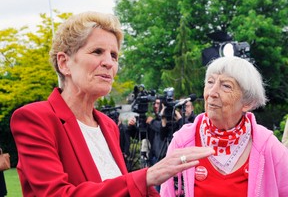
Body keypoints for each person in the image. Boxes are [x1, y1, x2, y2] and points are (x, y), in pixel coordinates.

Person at [10, 11, 215, 196]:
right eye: (97, 52)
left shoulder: (108, 125)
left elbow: (122, 188)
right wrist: (148, 175)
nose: (109, 62)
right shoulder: (35, 119)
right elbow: (56, 194)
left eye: (114, 55)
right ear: (64, 63)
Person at [161, 56, 288, 196]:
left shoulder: (268, 147)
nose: (212, 93)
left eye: (226, 86)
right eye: (210, 82)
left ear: (247, 103)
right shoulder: (182, 142)